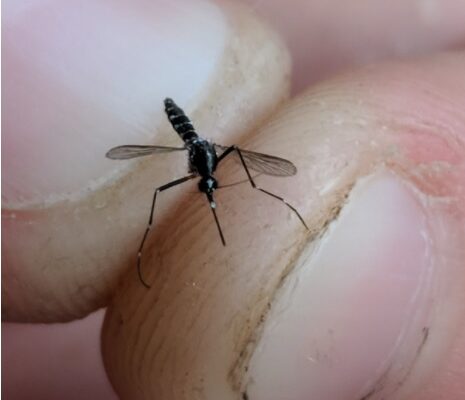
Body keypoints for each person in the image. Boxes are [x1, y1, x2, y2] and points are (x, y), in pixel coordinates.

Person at [3, 0, 465, 399]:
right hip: (177, 121)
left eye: (210, 188)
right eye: (209, 187)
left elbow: (239, 158)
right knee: (160, 187)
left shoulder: (217, 164)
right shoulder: (192, 157)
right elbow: (137, 156)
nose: (210, 192)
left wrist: (254, 187)